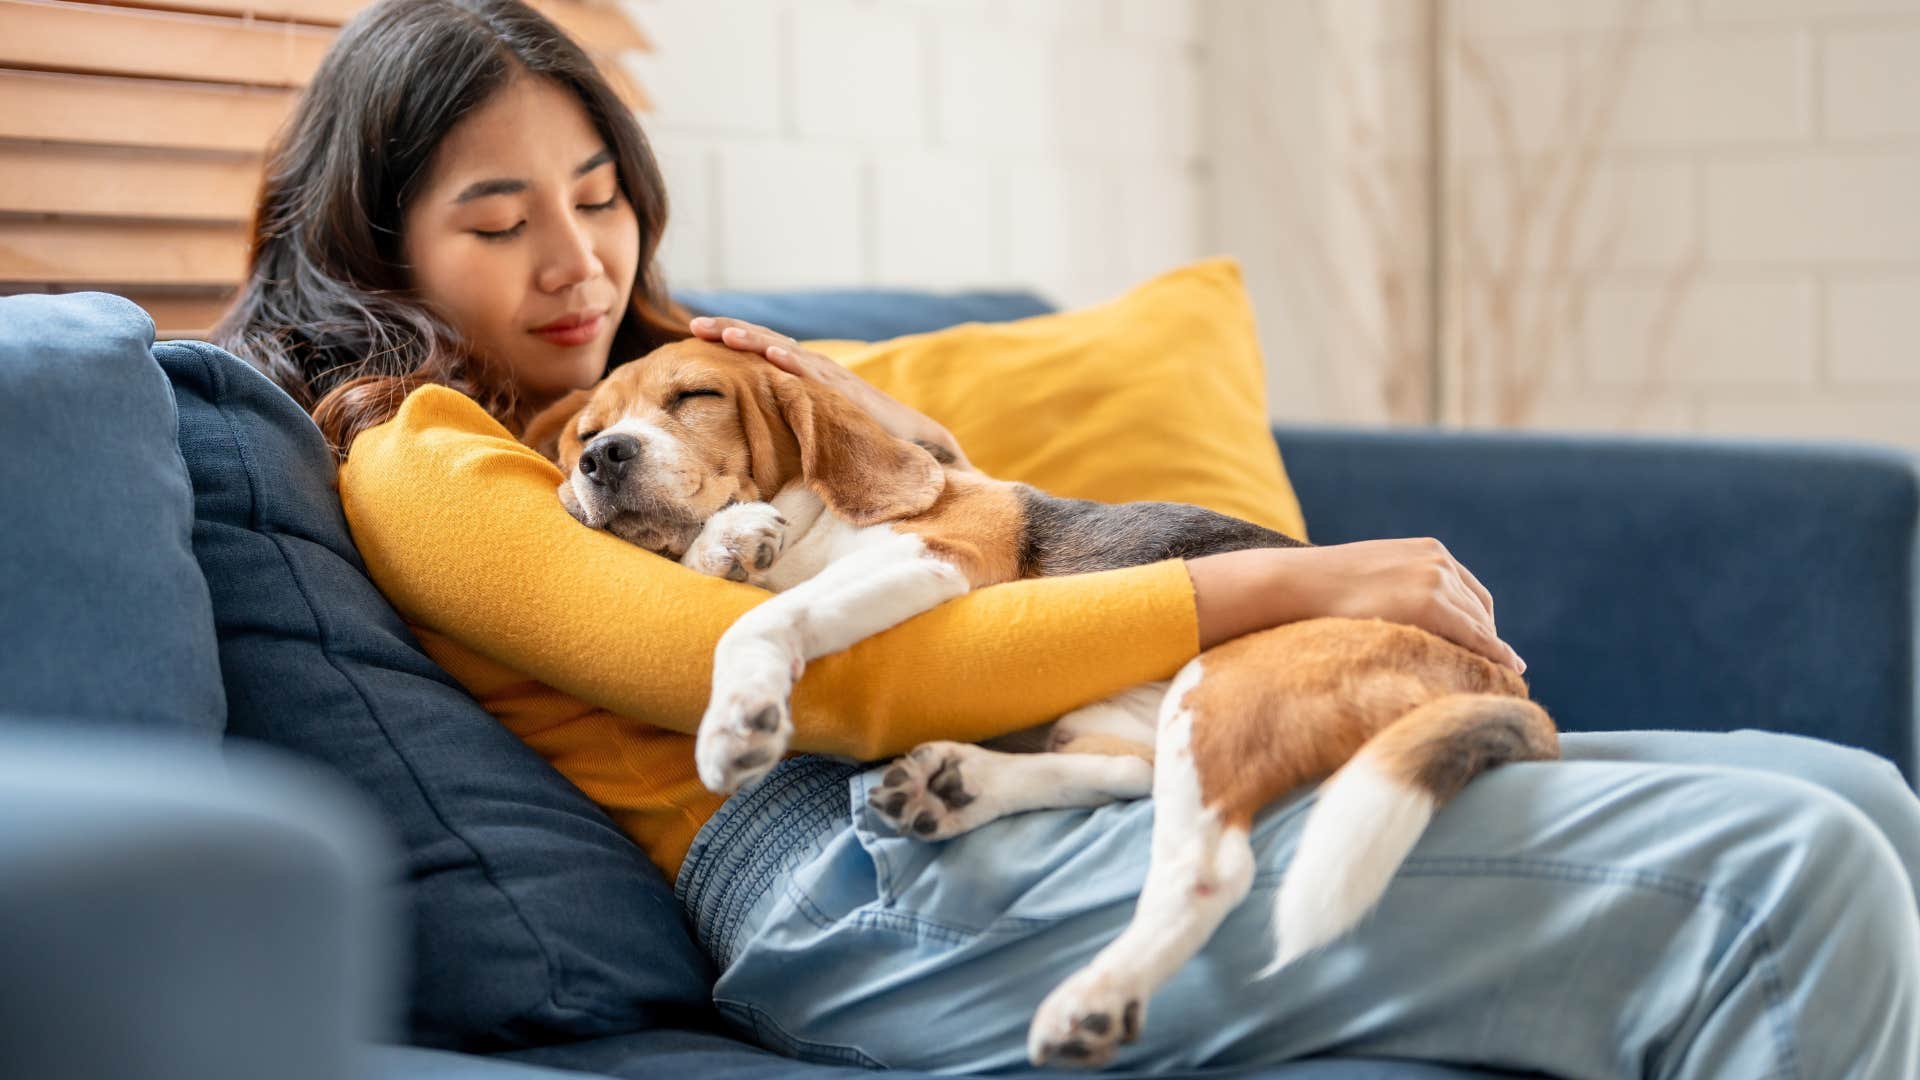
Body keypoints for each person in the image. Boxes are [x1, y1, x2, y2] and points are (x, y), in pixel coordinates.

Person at [213, 0, 1920, 1075]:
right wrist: (1297, 575)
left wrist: (826, 401)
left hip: (1025, 770)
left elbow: (962, 518)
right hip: (850, 874)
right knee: (1795, 877)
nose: (577, 260)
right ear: (378, 252)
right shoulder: (421, 456)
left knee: (1856, 793)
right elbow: (828, 691)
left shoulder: (697, 376)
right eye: (499, 220)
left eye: (597, 195)